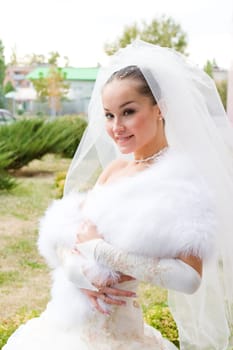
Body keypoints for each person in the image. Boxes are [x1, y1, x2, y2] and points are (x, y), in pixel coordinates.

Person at [3, 40, 233, 350]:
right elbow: (72, 240)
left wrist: (102, 253)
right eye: (109, 115)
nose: (116, 127)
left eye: (128, 112)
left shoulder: (183, 182)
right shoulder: (114, 170)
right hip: (62, 325)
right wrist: (78, 275)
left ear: (160, 108)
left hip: (118, 336)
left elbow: (189, 278)